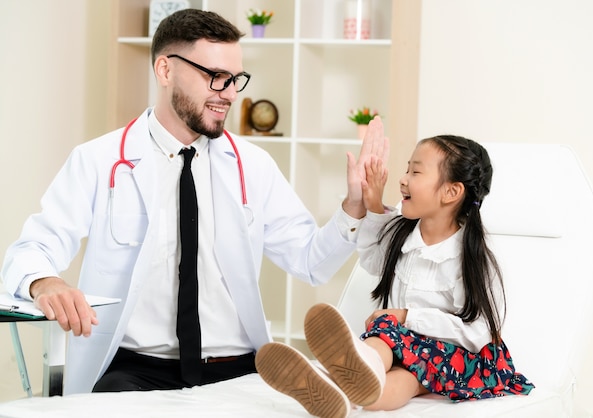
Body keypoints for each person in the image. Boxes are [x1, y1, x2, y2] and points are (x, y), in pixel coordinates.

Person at [0, 9, 389, 395]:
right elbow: (31, 248)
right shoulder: (98, 160)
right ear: (166, 70)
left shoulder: (252, 166)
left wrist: (354, 205)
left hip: (237, 367)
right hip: (136, 369)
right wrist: (45, 282)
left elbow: (310, 263)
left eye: (235, 79)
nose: (231, 94)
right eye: (216, 78)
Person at [255, 135, 534, 417]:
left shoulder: (471, 260)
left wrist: (405, 317)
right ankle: (341, 394)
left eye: (415, 172)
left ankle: (347, 375)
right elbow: (374, 260)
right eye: (406, 169)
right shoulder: (403, 233)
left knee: (401, 359)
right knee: (393, 356)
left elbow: (477, 333)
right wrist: (373, 202)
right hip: (405, 346)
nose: (402, 179)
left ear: (451, 192)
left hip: (462, 358)